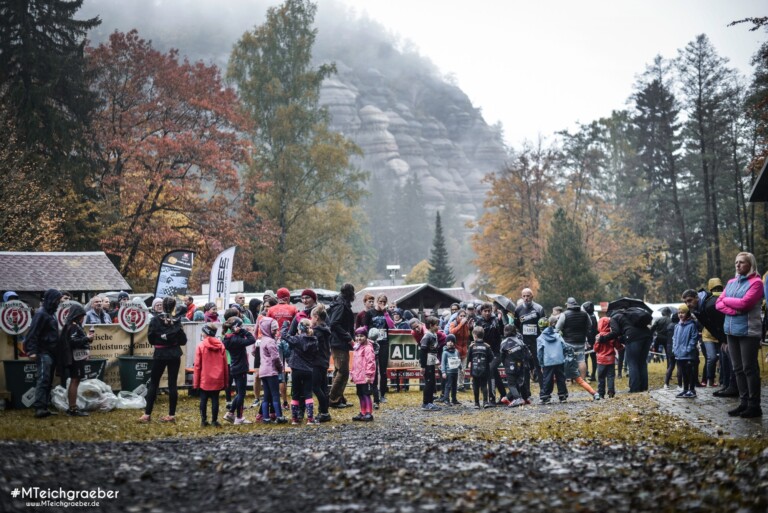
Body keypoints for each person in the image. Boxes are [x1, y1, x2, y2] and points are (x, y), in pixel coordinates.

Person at [716, 252, 764, 418]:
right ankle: (743, 403)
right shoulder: (731, 282)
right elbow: (718, 304)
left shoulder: (757, 283)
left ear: (750, 264)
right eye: (736, 262)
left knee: (749, 368)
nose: (738, 265)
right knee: (737, 368)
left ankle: (754, 405)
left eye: (742, 262)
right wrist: (734, 310)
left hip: (748, 331)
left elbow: (744, 304)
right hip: (731, 330)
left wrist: (727, 300)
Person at [139, 297, 188, 423]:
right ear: (174, 307)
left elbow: (151, 339)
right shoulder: (177, 321)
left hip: (160, 354)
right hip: (174, 354)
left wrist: (161, 339)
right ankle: (171, 415)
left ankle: (147, 414)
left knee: (154, 383)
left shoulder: (155, 320)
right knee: (172, 384)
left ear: (162, 306)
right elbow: (183, 340)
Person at [682, 281, 734, 396]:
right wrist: (722, 341)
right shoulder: (698, 309)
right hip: (722, 337)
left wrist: (725, 340)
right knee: (724, 360)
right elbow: (711, 327)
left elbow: (722, 324)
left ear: (697, 297)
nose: (688, 304)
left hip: (730, 335)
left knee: (730, 361)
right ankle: (726, 385)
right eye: (685, 302)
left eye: (689, 300)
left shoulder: (710, 305)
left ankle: (733, 387)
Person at [25, 288, 64, 418]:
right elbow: (33, 333)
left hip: (51, 352)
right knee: (44, 379)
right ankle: (40, 408)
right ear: (52, 300)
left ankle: (44, 406)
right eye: (57, 300)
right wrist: (31, 351)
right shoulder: (41, 314)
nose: (59, 303)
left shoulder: (51, 313)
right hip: (43, 352)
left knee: (48, 380)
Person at [601, 305, 653, 393]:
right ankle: (643, 387)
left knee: (632, 362)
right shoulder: (629, 314)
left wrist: (603, 338)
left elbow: (616, 332)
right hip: (647, 335)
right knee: (642, 362)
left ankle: (634, 388)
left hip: (633, 338)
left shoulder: (614, 318)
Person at [57, 301, 93, 417]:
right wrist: (87, 338)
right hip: (75, 359)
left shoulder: (73, 325)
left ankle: (73, 407)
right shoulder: (73, 326)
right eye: (81, 316)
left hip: (76, 357)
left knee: (75, 380)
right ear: (77, 316)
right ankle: (73, 408)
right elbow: (72, 342)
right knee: (75, 380)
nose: (83, 318)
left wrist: (86, 341)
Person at [281, 318, 319, 425]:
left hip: (296, 370)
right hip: (308, 370)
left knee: (296, 394)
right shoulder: (314, 340)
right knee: (308, 394)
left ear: (299, 328)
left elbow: (284, 335)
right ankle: (310, 419)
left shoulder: (296, 339)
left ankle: (294, 419)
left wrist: (285, 324)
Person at [193, 323, 228, 427]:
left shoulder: (201, 346)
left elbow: (197, 365)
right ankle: (214, 420)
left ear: (206, 333)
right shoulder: (221, 345)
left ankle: (203, 420)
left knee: (203, 400)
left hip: (204, 378)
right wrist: (225, 381)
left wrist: (196, 382)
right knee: (215, 399)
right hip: (218, 378)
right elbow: (225, 365)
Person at [364, 294, 395, 404]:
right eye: (380, 301)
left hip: (384, 343)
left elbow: (391, 326)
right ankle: (374, 393)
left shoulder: (387, 312)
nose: (382, 303)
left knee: (383, 370)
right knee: (373, 369)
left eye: (384, 302)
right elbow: (365, 327)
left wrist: (385, 312)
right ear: (377, 301)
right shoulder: (370, 313)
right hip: (372, 344)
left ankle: (382, 394)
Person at [256, 315, 287, 424]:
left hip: (263, 371)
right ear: (267, 329)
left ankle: (265, 417)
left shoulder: (263, 340)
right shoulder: (270, 341)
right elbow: (275, 358)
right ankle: (279, 416)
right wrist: (280, 368)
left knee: (266, 395)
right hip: (271, 371)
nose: (276, 332)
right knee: (275, 394)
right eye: (274, 330)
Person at [328, 284, 355, 408]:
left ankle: (339, 398)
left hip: (337, 341)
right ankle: (333, 399)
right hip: (339, 342)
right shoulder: (341, 305)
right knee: (343, 371)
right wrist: (348, 337)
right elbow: (334, 323)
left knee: (339, 370)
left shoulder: (339, 303)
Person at [475, 302, 505, 404]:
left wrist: (500, 321)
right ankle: (504, 395)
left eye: (489, 311)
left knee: (491, 371)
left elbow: (502, 332)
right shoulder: (478, 321)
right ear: (481, 312)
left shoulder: (495, 319)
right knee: (495, 374)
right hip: (485, 352)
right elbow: (475, 336)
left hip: (497, 352)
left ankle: (492, 398)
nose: (487, 313)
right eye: (485, 311)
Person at [555, 297, 591, 381]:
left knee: (568, 360)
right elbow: (590, 325)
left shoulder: (564, 314)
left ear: (568, 305)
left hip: (568, 342)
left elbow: (557, 328)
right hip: (581, 341)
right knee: (581, 360)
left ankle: (568, 379)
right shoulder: (584, 314)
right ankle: (582, 379)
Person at [498, 324, 532, 407]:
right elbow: (527, 354)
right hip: (521, 365)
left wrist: (505, 364)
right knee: (520, 382)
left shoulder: (503, 342)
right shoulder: (520, 341)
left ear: (505, 332)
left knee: (511, 384)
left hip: (510, 366)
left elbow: (502, 356)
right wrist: (525, 363)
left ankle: (517, 398)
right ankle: (525, 398)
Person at [309, 304, 332, 422]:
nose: (311, 319)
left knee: (316, 387)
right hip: (324, 361)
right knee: (323, 387)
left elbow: (313, 347)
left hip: (317, 362)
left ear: (316, 317)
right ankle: (324, 411)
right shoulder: (325, 329)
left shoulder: (316, 332)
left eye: (311, 317)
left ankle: (324, 412)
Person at [537, 316, 568, 404]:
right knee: (561, 378)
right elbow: (564, 346)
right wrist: (563, 356)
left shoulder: (540, 338)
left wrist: (541, 364)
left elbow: (540, 353)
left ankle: (545, 397)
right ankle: (563, 396)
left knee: (547, 379)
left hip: (548, 361)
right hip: (559, 360)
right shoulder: (557, 335)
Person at [672, 304, 699, 399]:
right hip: (679, 354)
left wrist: (688, 349)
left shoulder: (691, 325)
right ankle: (685, 389)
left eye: (682, 312)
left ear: (687, 313)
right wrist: (674, 348)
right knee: (683, 372)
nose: (680, 314)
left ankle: (692, 390)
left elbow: (694, 338)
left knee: (689, 372)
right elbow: (674, 338)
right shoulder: (677, 326)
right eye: (679, 313)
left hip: (688, 355)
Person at [350, 327, 376, 421]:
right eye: (357, 336)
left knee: (366, 394)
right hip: (358, 376)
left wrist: (368, 375)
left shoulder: (368, 348)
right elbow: (355, 362)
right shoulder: (357, 347)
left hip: (365, 376)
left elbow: (370, 362)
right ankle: (363, 412)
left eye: (361, 336)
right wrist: (353, 374)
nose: (359, 338)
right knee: (360, 394)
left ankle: (369, 412)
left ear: (366, 336)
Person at [594, 316, 622, 398]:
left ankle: (601, 393)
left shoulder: (598, 336)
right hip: (611, 360)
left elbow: (596, 349)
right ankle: (611, 391)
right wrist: (621, 347)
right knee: (610, 376)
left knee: (601, 377)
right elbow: (618, 346)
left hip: (601, 360)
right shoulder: (612, 336)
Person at [418, 316, 442, 411]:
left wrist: (436, 361)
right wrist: (423, 366)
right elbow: (423, 352)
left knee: (432, 382)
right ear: (431, 326)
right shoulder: (427, 336)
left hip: (431, 362)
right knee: (428, 382)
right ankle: (425, 403)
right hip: (426, 363)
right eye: (436, 325)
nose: (438, 327)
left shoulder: (434, 335)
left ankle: (430, 402)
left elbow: (433, 350)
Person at [467, 326, 493, 409]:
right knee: (484, 385)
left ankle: (476, 403)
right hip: (485, 369)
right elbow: (491, 358)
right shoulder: (487, 346)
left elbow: (468, 358)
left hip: (474, 370)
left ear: (474, 335)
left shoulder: (472, 346)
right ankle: (485, 402)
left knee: (476, 386)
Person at [449, 308, 472, 390]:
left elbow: (469, 337)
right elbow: (451, 332)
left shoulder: (466, 325)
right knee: (454, 369)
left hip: (464, 350)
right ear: (457, 316)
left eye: (464, 316)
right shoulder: (453, 323)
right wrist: (460, 324)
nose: (462, 317)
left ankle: (460, 385)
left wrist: (471, 327)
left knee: (463, 369)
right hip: (455, 350)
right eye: (461, 316)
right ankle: (453, 385)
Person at [439, 335, 461, 405]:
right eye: (448, 341)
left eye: (452, 341)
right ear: (446, 342)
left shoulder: (456, 351)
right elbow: (443, 363)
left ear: (454, 342)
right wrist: (443, 372)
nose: (450, 343)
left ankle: (454, 399)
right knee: (448, 386)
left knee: (454, 386)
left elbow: (458, 360)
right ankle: (446, 399)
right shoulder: (445, 353)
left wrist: (461, 368)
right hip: (448, 372)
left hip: (455, 372)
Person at [582, 301, 598, 381]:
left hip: (588, 340)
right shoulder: (594, 316)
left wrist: (587, 341)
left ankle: (586, 374)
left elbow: (589, 330)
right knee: (593, 358)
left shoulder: (587, 316)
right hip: (593, 340)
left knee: (585, 358)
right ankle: (592, 375)